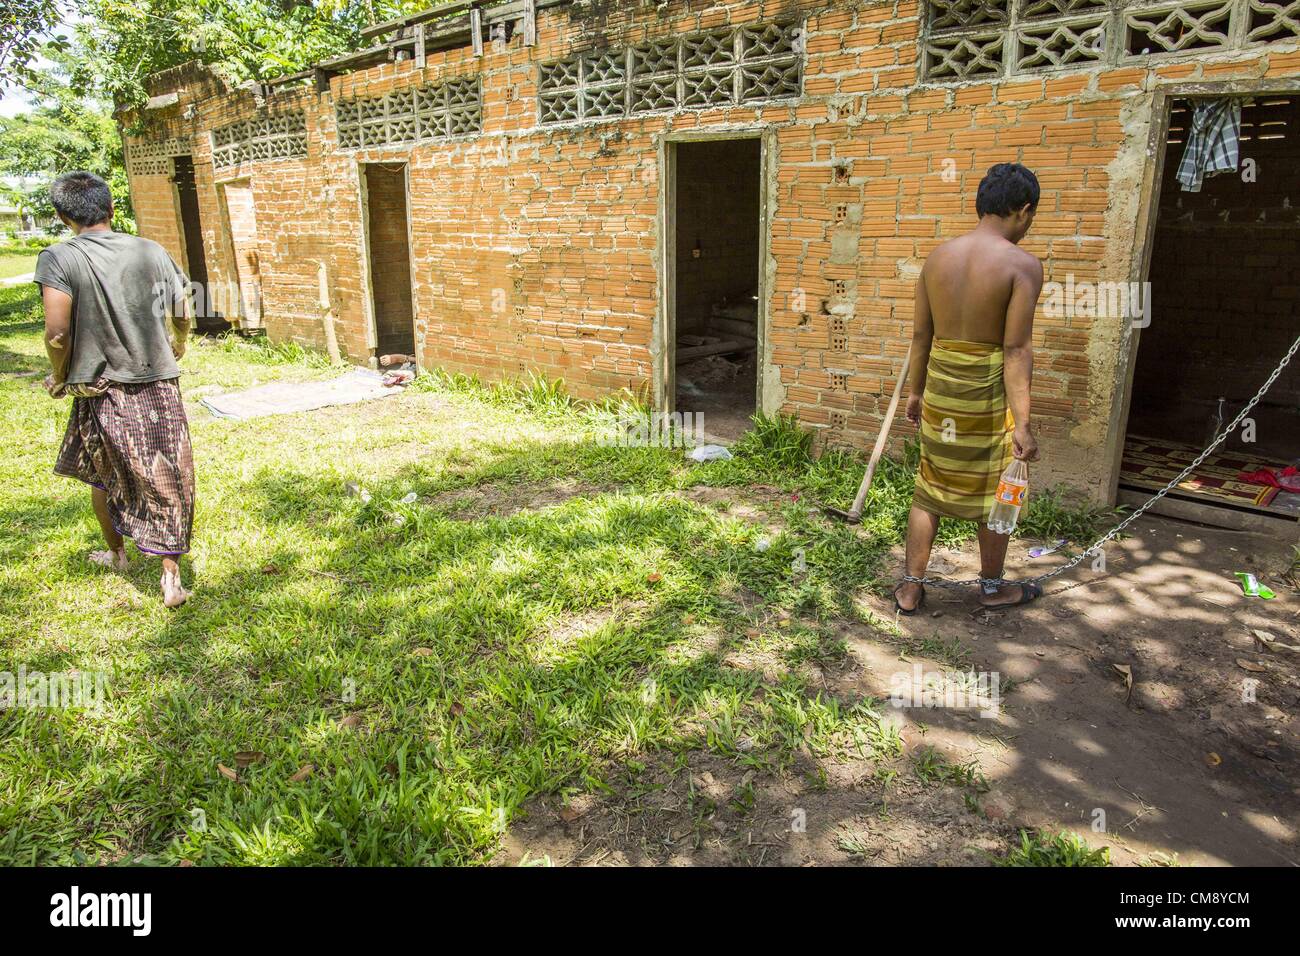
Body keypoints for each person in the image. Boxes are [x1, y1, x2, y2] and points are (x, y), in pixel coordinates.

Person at [36, 171, 195, 608]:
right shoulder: (150, 249)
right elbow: (182, 307)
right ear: (110, 208)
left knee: (103, 470)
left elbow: (56, 334)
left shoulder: (59, 258)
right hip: (159, 381)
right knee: (166, 470)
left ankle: (118, 554)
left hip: (100, 387)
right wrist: (179, 341)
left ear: (63, 215)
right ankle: (171, 575)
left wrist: (60, 375)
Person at [894, 163, 1044, 615]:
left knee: (929, 487)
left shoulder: (937, 258)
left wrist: (915, 392)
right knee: (1001, 490)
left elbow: (921, 338)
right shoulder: (1022, 265)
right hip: (987, 397)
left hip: (941, 389)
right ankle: (993, 587)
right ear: (1023, 210)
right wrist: (1023, 423)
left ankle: (910, 587)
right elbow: (1015, 349)